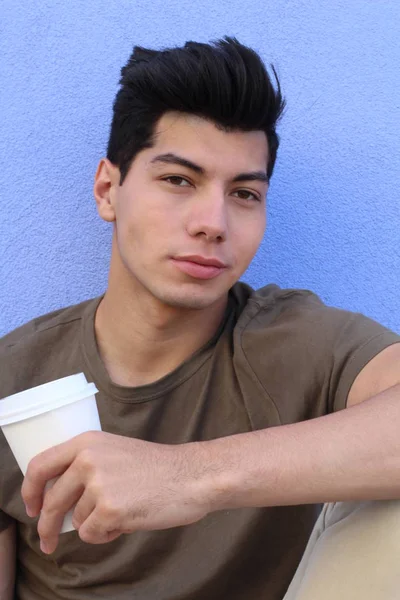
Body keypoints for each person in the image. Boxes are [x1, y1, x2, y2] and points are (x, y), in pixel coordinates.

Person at [1, 36, 400, 600]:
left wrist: (188, 477)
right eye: (178, 180)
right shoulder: (14, 378)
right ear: (108, 189)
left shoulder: (297, 343)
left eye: (243, 193)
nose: (213, 222)